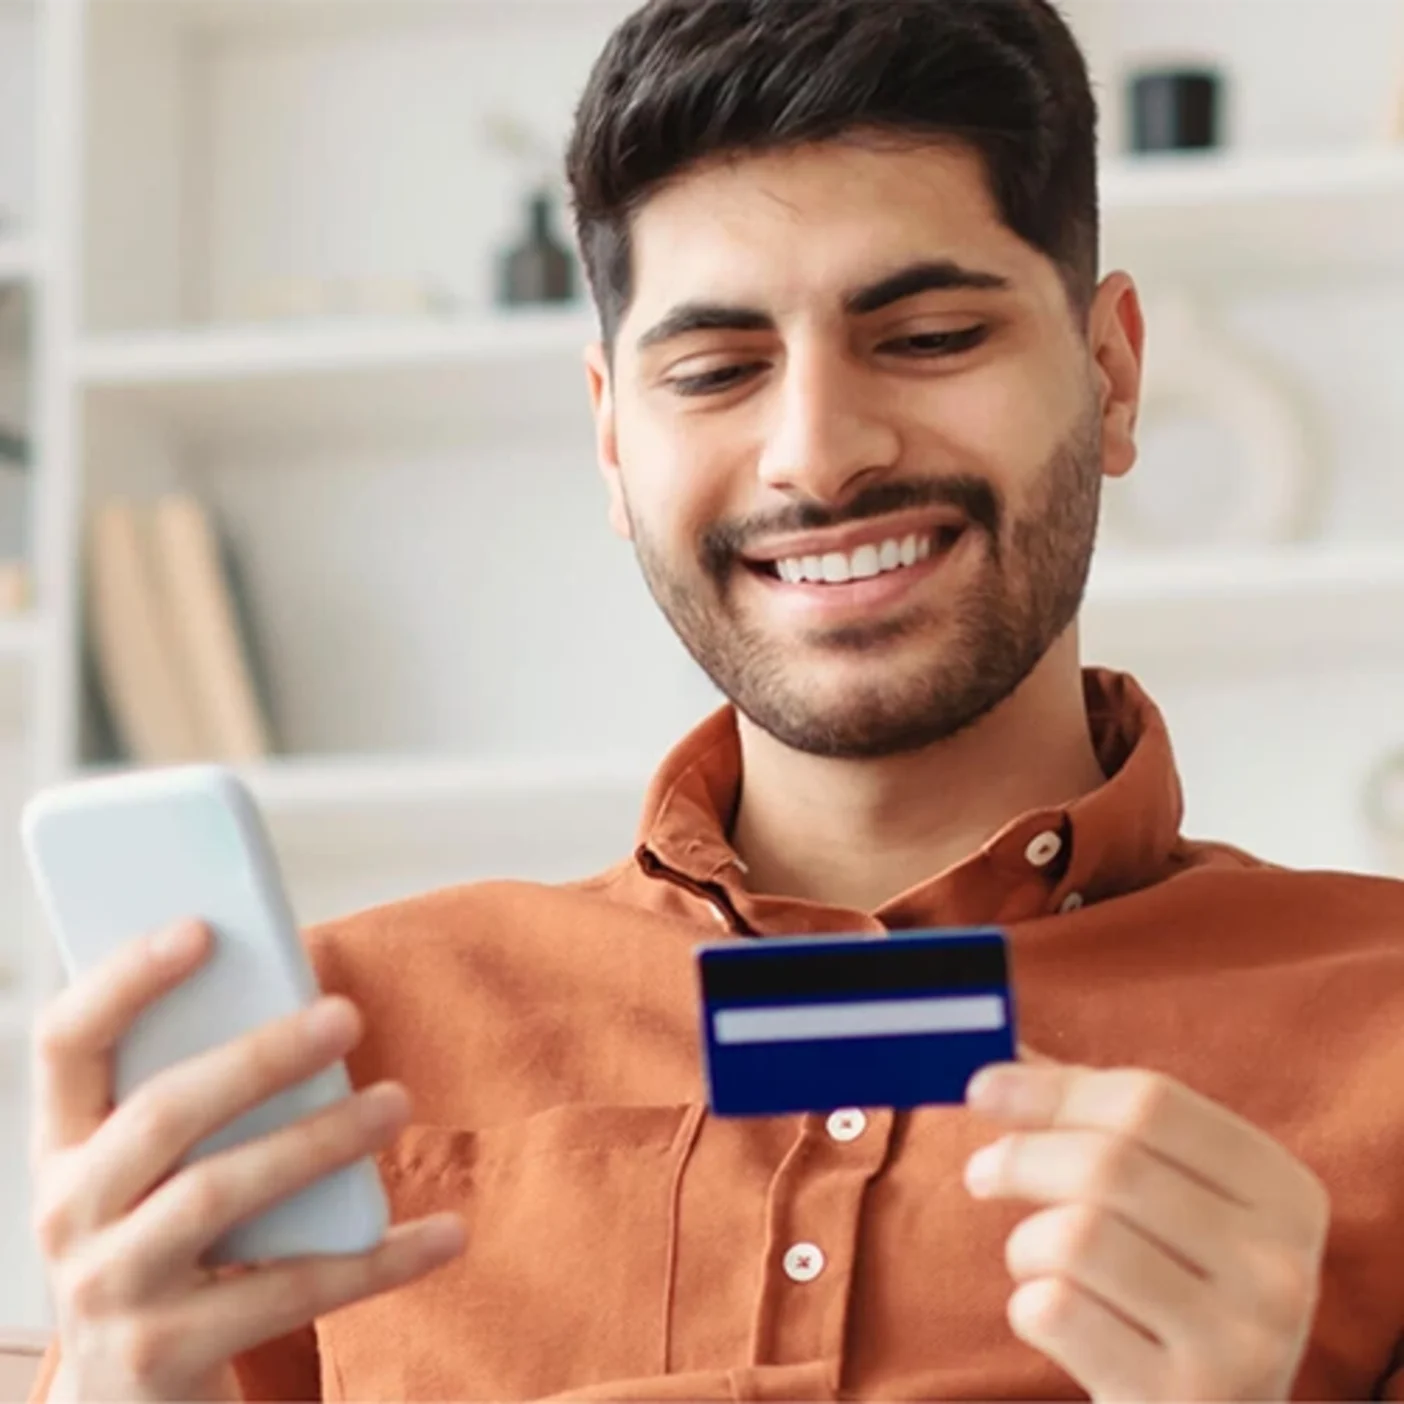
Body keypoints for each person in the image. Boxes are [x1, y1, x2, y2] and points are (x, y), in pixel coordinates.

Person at [25, 0, 1404, 1399]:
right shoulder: (319, 1052)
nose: (818, 454)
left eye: (927, 337)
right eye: (717, 372)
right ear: (614, 440)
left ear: (1111, 377)